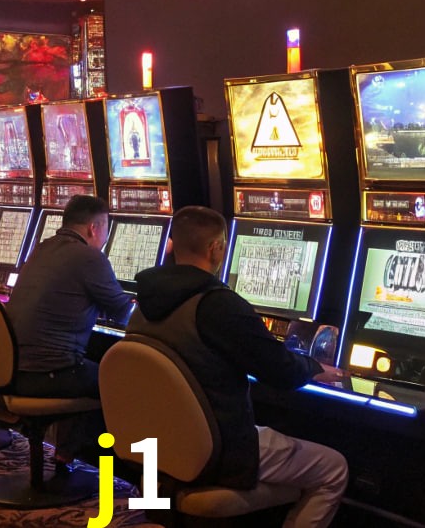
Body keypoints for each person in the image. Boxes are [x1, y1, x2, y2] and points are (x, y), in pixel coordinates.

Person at [129, 206, 348, 527]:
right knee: (333, 468)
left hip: (162, 444)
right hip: (219, 448)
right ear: (215, 248)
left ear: (172, 245)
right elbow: (282, 372)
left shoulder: (144, 302)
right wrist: (313, 366)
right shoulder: (217, 304)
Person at [5, 194, 133, 464]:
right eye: (106, 229)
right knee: (122, 379)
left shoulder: (42, 247)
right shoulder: (89, 257)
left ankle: (67, 452)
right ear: (94, 228)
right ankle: (113, 468)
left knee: (91, 363)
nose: (106, 238)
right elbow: (124, 313)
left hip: (12, 367)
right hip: (46, 372)